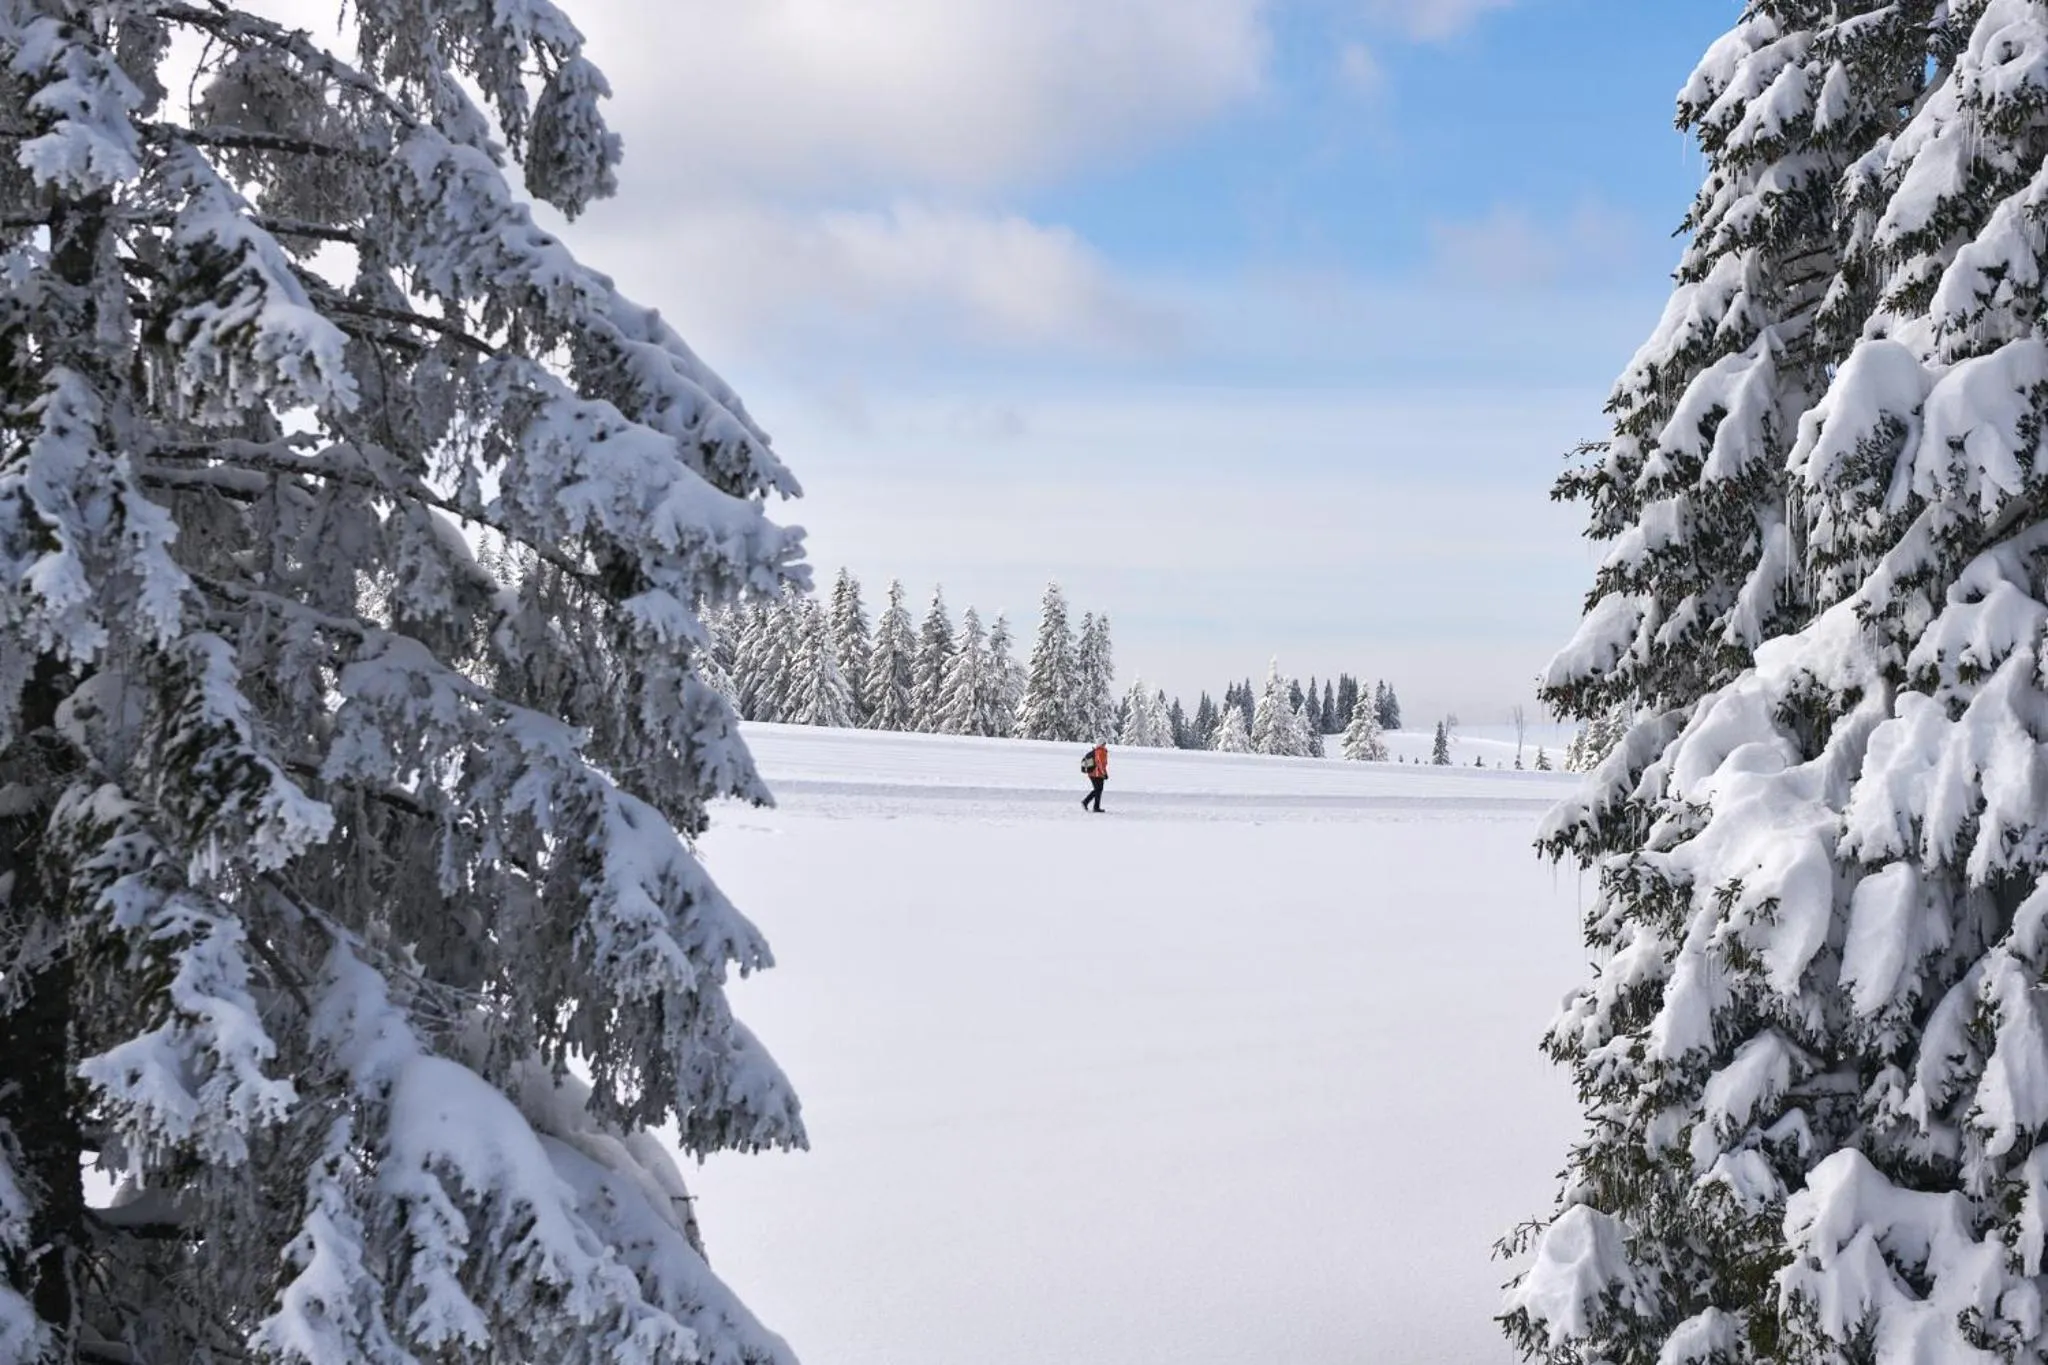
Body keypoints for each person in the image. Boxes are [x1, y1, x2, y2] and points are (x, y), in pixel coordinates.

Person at [1081, 740, 1109, 812]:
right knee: (1098, 790)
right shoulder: (1101, 751)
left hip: (1094, 774)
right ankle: (1088, 803)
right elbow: (1100, 764)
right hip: (1096, 774)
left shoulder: (1097, 751)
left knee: (1098, 790)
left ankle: (1093, 805)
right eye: (1104, 744)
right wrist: (1104, 773)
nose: (1104, 745)